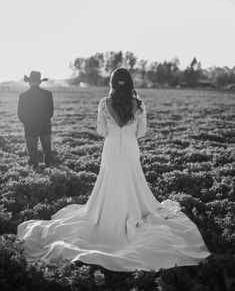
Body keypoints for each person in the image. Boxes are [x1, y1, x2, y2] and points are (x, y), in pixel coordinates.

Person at [17, 68, 210, 272]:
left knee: (109, 181)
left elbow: (101, 130)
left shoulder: (104, 103)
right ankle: (131, 211)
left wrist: (114, 132)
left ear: (112, 83)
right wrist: (126, 133)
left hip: (110, 149)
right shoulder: (140, 104)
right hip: (129, 148)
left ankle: (107, 213)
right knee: (132, 180)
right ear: (130, 83)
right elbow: (141, 132)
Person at [17, 71, 54, 168]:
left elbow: (20, 114)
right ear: (40, 82)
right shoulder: (48, 94)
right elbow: (51, 112)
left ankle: (34, 165)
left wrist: (26, 122)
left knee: (32, 150)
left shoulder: (23, 96)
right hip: (45, 126)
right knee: (47, 148)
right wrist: (45, 120)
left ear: (29, 82)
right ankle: (50, 165)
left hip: (29, 126)